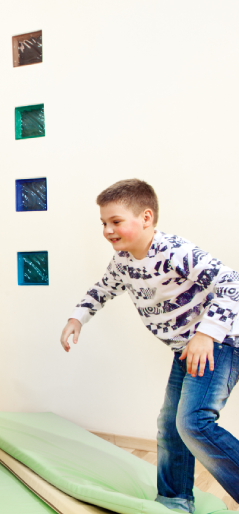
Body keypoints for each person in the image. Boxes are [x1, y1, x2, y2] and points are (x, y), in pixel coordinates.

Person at [60, 179, 239, 511]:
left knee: (194, 422)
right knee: (171, 426)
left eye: (115, 221)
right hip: (186, 349)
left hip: (222, 341)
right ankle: (174, 499)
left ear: (145, 217)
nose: (107, 230)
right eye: (104, 223)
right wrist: (77, 318)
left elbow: (232, 282)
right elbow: (103, 289)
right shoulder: (124, 260)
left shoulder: (175, 251)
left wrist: (207, 334)